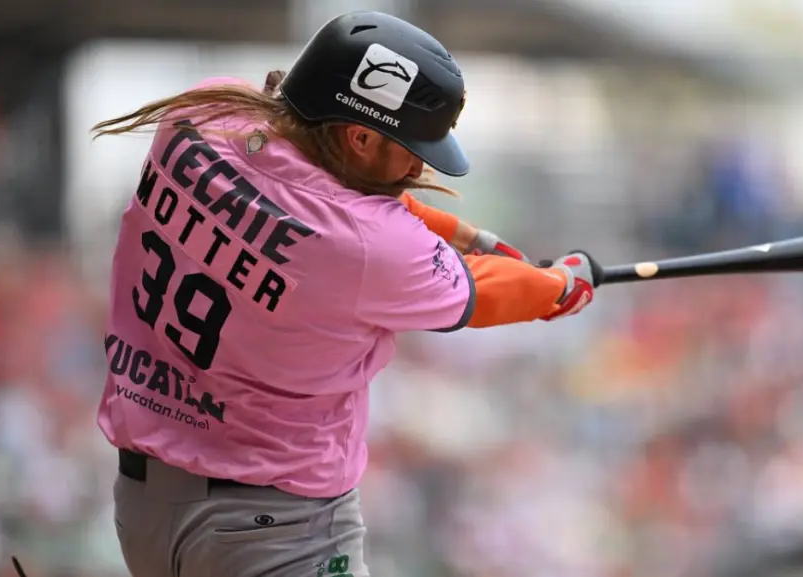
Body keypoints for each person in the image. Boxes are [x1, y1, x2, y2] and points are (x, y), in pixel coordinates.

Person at [90, 10, 601, 577]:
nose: (418, 164)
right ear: (358, 135)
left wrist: (463, 232)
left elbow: (308, 182)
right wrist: (566, 283)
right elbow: (487, 292)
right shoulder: (366, 247)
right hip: (275, 530)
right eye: (410, 146)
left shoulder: (203, 112)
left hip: (144, 510)